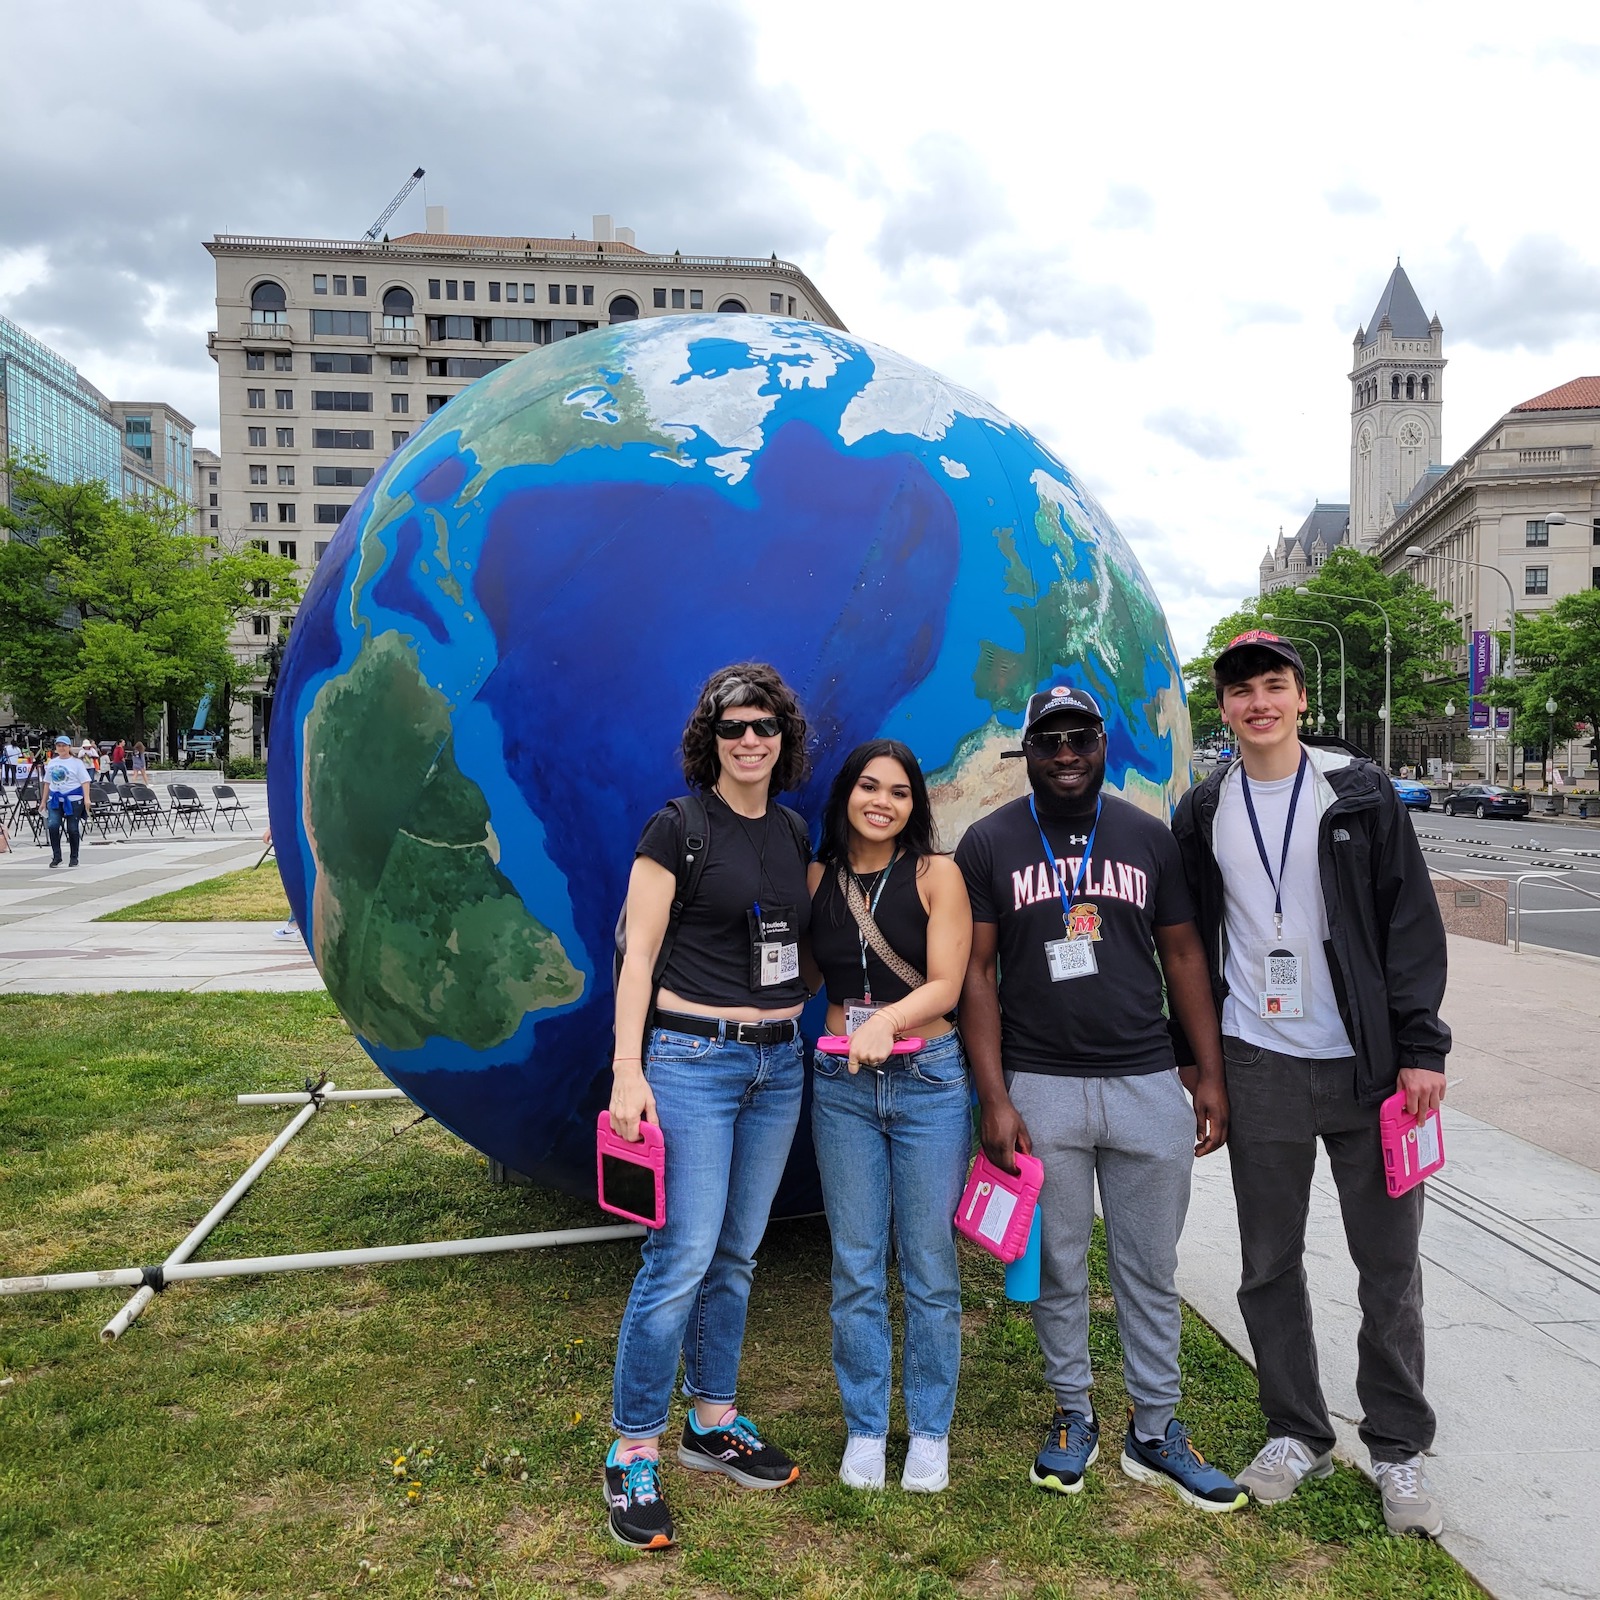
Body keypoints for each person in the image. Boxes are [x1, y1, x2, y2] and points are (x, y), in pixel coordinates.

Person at [1171, 630, 1450, 1538]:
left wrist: (1423, 1046)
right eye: (1242, 691)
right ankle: (1296, 1429)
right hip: (1260, 1063)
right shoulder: (1204, 810)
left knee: (1389, 1263)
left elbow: (1410, 922)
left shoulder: (1358, 793)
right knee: (1268, 1263)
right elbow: (1186, 945)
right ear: (1224, 709)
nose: (1259, 703)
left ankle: (1399, 1446)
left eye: (1274, 686)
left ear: (1300, 698)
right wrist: (1200, 1062)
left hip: (1371, 1070)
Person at [956, 685, 1245, 1513]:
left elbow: (1185, 957)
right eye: (1049, 740)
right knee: (1058, 1267)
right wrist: (994, 1094)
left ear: (1103, 745)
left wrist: (1208, 1072)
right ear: (1029, 753)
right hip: (1039, 1083)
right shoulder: (990, 842)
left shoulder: (1149, 839)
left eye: (1081, 737)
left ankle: (1155, 1430)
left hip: (1145, 1078)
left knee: (1149, 1266)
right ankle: (1073, 1412)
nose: (1067, 752)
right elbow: (977, 973)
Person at [605, 662, 813, 1552]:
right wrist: (627, 1070)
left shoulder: (796, 831)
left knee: (736, 1253)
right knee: (680, 1254)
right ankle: (632, 1450)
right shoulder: (677, 828)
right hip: (691, 1061)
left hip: (781, 1066)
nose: (750, 741)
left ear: (783, 737)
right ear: (711, 739)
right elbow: (637, 955)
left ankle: (713, 1420)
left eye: (764, 726)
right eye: (734, 728)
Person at [803, 741, 973, 1494]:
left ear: (915, 805)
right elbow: (801, 971)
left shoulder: (937, 875)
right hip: (843, 1084)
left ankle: (929, 1431)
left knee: (930, 1266)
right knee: (857, 1264)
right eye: (869, 787)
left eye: (899, 792)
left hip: (928, 1080)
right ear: (846, 794)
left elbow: (946, 985)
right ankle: (867, 1426)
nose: (882, 801)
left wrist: (888, 1022)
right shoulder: (818, 878)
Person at [38, 735, 92, 868]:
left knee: (72, 828)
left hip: (73, 799)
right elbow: (47, 782)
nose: (61, 748)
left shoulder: (76, 763)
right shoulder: (52, 762)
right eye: (59, 746)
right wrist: (43, 801)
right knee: (53, 825)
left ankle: (74, 857)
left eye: (64, 746)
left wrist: (87, 798)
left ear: (69, 747)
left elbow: (85, 781)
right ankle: (57, 856)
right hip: (55, 799)